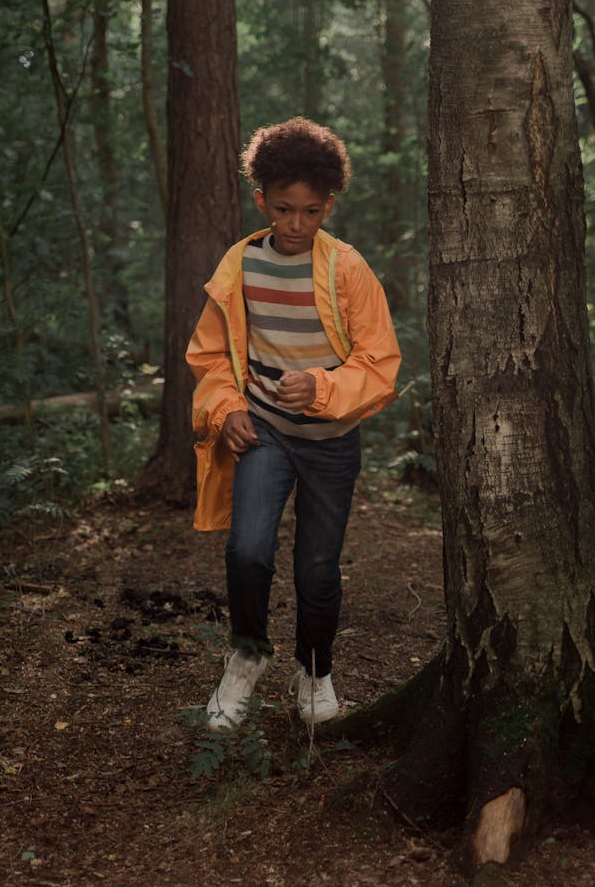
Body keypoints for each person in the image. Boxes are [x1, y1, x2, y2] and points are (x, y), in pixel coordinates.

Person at [186, 116, 401, 731]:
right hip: (265, 432)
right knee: (249, 549)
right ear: (262, 201)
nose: (297, 224)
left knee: (317, 568)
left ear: (328, 204)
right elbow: (211, 354)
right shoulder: (241, 265)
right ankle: (247, 656)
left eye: (311, 211)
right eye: (284, 209)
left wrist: (324, 385)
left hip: (332, 441)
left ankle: (314, 672)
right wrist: (226, 409)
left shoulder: (347, 270)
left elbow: (380, 361)